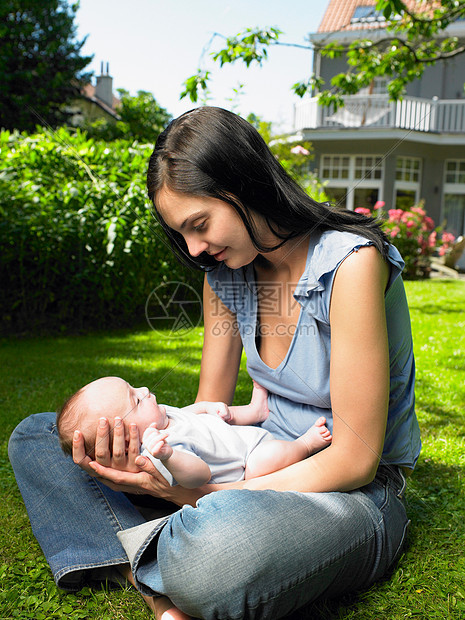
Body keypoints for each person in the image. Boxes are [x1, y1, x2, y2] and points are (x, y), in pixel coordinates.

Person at [9, 106, 421, 620]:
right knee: (40, 437)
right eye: (182, 234)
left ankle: (147, 547)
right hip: (243, 460)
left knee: (217, 556)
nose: (195, 248)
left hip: (347, 490)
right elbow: (212, 405)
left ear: (243, 184)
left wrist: (199, 494)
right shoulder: (225, 276)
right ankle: (160, 587)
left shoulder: (350, 266)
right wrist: (142, 459)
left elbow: (355, 461)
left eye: (199, 225)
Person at [57, 376, 332, 487]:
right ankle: (305, 445)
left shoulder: (160, 416)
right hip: (248, 463)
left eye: (134, 386)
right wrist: (168, 456)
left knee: (225, 413)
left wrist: (208, 407)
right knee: (264, 462)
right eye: (136, 399)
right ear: (126, 439)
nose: (144, 391)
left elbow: (192, 411)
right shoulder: (158, 452)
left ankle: (256, 410)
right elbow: (200, 476)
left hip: (244, 435)